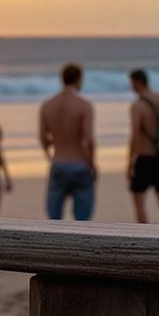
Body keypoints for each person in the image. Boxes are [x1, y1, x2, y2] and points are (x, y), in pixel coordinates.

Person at [39, 64, 96, 220]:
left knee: (54, 221)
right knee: (82, 223)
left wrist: (50, 156)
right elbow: (89, 140)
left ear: (62, 79)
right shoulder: (84, 106)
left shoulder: (47, 106)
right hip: (80, 165)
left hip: (58, 163)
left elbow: (43, 138)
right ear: (79, 79)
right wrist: (92, 163)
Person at [126, 69, 159, 225]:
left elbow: (135, 136)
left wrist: (130, 163)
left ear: (136, 82)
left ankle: (143, 237)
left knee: (140, 204)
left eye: (131, 83)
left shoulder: (138, 105)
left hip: (144, 158)